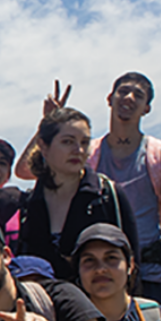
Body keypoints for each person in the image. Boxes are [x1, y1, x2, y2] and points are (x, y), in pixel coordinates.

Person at [89, 73, 161, 321]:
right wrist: (48, 123)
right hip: (100, 272)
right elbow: (28, 171)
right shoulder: (88, 155)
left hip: (151, 275)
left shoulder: (160, 157)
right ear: (110, 99)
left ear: (146, 108)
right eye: (123, 91)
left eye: (138, 95)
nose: (129, 98)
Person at [15, 106, 138, 281]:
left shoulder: (107, 195)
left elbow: (132, 261)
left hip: (99, 304)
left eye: (84, 142)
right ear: (43, 146)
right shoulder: (28, 204)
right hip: (43, 304)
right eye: (68, 141)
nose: (78, 150)